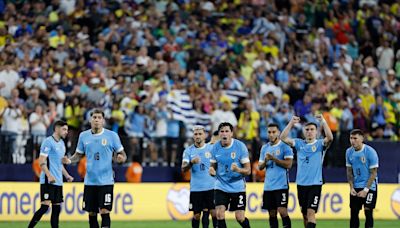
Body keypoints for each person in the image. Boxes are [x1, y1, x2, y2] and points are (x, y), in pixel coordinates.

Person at [63, 109, 127, 228]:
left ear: (103, 121)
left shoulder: (112, 136)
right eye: (94, 117)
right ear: (90, 120)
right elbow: (78, 155)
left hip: (106, 181)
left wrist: (121, 158)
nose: (96, 120)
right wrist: (69, 160)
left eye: (99, 117)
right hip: (90, 181)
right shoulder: (83, 136)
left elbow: (123, 154)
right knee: (92, 213)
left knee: (104, 211)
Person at [280, 114, 333, 228]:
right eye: (307, 129)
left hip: (315, 184)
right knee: (305, 215)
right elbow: (283, 137)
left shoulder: (320, 144)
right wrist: (291, 123)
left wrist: (323, 121)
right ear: (304, 132)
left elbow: (330, 138)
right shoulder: (299, 143)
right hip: (301, 184)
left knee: (311, 213)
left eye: (312, 129)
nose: (309, 132)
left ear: (317, 132)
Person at [28, 120, 73, 228]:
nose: (66, 132)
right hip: (48, 181)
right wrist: (49, 175)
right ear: (57, 129)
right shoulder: (48, 142)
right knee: (45, 207)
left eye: (67, 129)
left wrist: (67, 175)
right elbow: (41, 161)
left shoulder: (62, 144)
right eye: (64, 129)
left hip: (58, 181)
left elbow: (59, 164)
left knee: (57, 208)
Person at [209, 122, 251, 228]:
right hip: (221, 185)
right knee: (219, 214)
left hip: (237, 185)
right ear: (219, 134)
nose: (224, 134)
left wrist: (238, 169)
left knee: (240, 217)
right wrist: (211, 170)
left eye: (227, 131)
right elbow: (212, 165)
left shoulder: (240, 146)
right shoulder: (215, 148)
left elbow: (248, 170)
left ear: (231, 133)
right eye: (222, 131)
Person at [258, 123, 294, 228]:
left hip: (281, 185)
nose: (271, 134)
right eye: (269, 132)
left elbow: (289, 164)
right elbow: (260, 167)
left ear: (278, 132)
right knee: (272, 214)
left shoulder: (284, 146)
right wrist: (266, 161)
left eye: (274, 132)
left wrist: (274, 159)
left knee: (282, 211)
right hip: (268, 186)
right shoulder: (264, 148)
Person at [181, 126, 217, 228]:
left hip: (211, 187)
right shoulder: (188, 151)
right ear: (193, 136)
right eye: (196, 134)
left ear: (204, 135)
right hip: (196, 188)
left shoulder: (211, 149)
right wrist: (191, 163)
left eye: (200, 134)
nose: (198, 136)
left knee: (214, 213)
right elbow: (183, 168)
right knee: (196, 216)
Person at [346, 129, 379, 228]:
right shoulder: (348, 152)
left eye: (355, 138)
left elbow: (373, 173)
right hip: (356, 186)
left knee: (368, 212)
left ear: (362, 139)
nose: (353, 141)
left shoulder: (370, 152)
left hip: (370, 187)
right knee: (354, 213)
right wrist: (351, 187)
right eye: (351, 138)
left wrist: (365, 190)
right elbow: (349, 171)